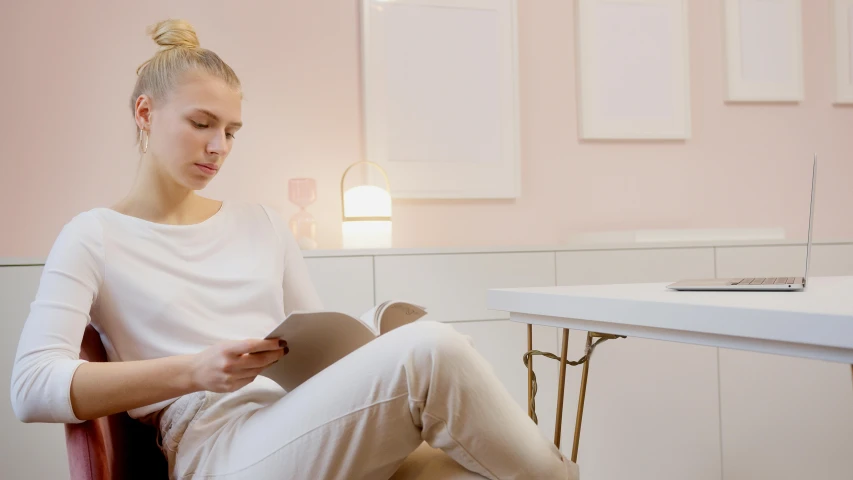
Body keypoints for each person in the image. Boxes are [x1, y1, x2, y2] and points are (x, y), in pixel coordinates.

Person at [9, 19, 579, 480]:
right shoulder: (94, 234)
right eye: (202, 123)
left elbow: (319, 356)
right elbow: (31, 388)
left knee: (464, 464)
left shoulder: (263, 224)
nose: (218, 146)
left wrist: (369, 345)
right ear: (145, 113)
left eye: (232, 130)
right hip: (215, 445)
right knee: (431, 350)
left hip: (298, 419)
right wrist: (196, 370)